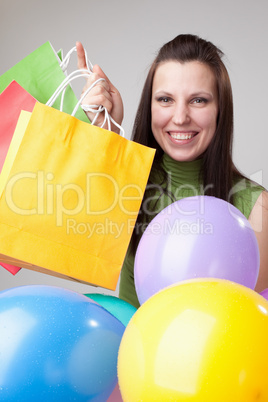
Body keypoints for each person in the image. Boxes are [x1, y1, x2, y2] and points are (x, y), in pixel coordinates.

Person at [76, 34, 268, 308]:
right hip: (127, 349)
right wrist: (105, 145)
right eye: (165, 99)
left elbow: (251, 332)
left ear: (220, 110)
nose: (180, 117)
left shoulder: (256, 209)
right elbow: (75, 263)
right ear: (149, 107)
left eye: (198, 100)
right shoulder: (128, 185)